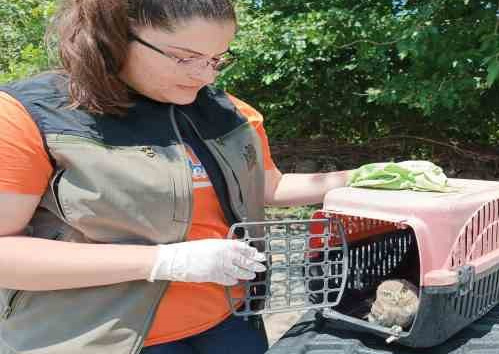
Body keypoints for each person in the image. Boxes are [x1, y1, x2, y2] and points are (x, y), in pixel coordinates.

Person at [0, 1, 352, 353]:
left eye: (217, 59)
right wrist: (165, 262)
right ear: (116, 36)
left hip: (230, 320)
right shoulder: (30, 114)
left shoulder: (227, 110)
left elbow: (270, 185)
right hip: (97, 336)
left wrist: (371, 175)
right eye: (185, 57)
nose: (206, 76)